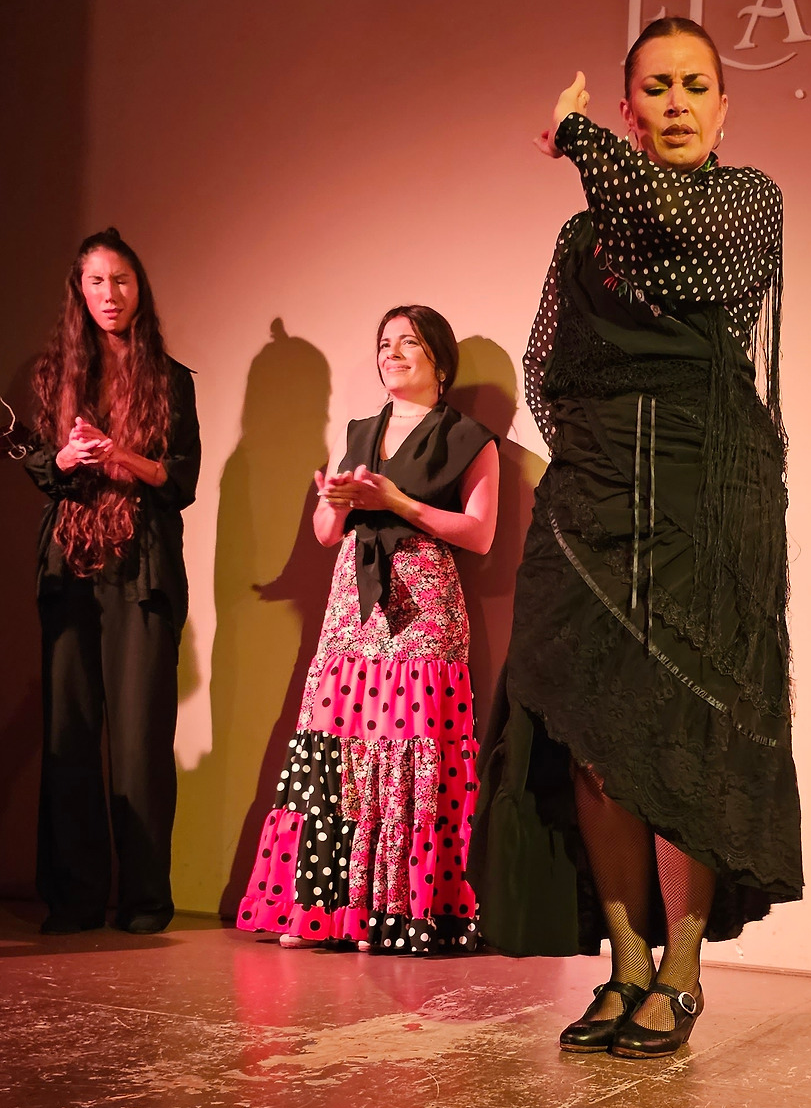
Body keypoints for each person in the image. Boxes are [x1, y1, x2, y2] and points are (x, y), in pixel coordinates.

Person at [469, 17, 802, 1056]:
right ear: (629, 108)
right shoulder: (583, 235)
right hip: (596, 497)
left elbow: (674, 235)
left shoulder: (747, 201)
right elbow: (547, 364)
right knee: (593, 737)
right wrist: (587, 463)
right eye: (656, 88)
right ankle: (623, 963)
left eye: (695, 86)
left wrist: (578, 141)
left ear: (723, 106)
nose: (677, 104)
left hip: (708, 498)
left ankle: (682, 973)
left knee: (685, 736)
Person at [237, 305, 498, 953]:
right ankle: (328, 910)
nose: (393, 353)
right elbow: (328, 534)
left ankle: (395, 913)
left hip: (423, 608)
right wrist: (333, 502)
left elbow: (480, 533)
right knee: (337, 752)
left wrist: (398, 503)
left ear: (440, 361)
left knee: (409, 757)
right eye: (385, 343)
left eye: (409, 342)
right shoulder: (357, 432)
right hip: (353, 606)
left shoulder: (471, 438)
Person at [23, 228, 201, 934]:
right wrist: (66, 458)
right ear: (79, 290)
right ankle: (74, 897)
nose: (109, 294)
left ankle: (145, 900)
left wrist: (121, 454)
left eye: (121, 280)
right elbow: (40, 465)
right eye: (96, 281)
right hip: (70, 569)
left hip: (141, 572)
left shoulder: (171, 378)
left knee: (139, 744)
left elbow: (181, 479)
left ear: (139, 288)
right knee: (69, 739)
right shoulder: (54, 374)